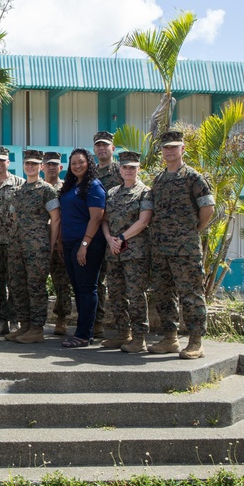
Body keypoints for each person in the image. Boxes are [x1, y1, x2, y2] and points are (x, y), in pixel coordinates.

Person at [148, 131, 215, 359]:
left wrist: (192, 231)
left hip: (185, 248)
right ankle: (170, 338)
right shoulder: (159, 179)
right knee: (164, 294)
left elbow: (208, 209)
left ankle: (196, 341)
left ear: (182, 149)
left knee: (190, 294)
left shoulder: (193, 178)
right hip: (160, 248)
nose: (169, 151)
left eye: (174, 147)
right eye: (166, 148)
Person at [4, 150, 61, 344]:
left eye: (35, 164)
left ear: (41, 167)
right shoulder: (18, 191)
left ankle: (37, 328)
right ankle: (25, 325)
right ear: (23, 166)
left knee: (35, 287)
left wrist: (50, 244)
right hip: (17, 246)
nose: (31, 167)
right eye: (28, 164)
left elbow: (55, 219)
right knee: (18, 286)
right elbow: (14, 217)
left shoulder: (47, 190)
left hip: (37, 247)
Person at [100, 151, 154, 353]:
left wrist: (121, 238)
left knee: (135, 294)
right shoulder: (112, 192)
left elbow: (144, 221)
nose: (128, 170)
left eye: (132, 167)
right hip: (113, 252)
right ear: (119, 169)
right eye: (124, 167)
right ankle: (124, 333)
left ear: (138, 169)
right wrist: (109, 239)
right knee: (115, 294)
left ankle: (139, 337)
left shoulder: (145, 192)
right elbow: (105, 220)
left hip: (135, 253)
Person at [57, 147, 107, 348]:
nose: (77, 166)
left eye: (81, 162)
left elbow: (97, 217)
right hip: (70, 243)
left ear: (89, 163)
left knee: (87, 289)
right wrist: (61, 241)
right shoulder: (70, 186)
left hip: (87, 243)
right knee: (78, 289)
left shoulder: (94, 186)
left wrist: (84, 244)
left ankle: (84, 335)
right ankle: (81, 330)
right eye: (74, 163)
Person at [0, 146, 23, 336]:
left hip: (14, 243)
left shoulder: (19, 184)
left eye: (2, 160)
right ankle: (0, 320)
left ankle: (14, 321)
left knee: (15, 282)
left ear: (8, 163)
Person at [92, 130, 122, 338]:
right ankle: (97, 323)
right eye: (98, 145)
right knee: (96, 281)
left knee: (120, 282)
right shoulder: (90, 172)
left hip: (119, 235)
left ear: (113, 148)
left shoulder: (122, 171)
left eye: (105, 145)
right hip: (95, 233)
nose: (102, 148)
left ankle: (124, 330)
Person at [42, 151, 73, 336]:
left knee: (62, 283)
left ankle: (62, 319)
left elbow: (66, 218)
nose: (52, 167)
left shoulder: (66, 190)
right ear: (42, 167)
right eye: (48, 164)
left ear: (61, 168)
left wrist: (60, 241)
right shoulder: (35, 187)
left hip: (60, 242)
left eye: (55, 164)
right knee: (36, 283)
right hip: (38, 243)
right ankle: (36, 320)